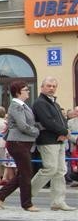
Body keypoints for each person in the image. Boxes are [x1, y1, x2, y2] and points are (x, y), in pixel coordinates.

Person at [0, 81, 40, 211]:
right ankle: (27, 204)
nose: (28, 91)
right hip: (17, 143)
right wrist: (37, 131)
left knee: (24, 173)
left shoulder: (23, 106)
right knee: (26, 173)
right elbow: (22, 125)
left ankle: (0, 194)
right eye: (25, 89)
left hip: (22, 143)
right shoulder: (16, 106)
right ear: (18, 92)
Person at [30, 77, 75, 211]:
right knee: (50, 169)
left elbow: (62, 120)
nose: (51, 88)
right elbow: (47, 122)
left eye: (54, 86)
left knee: (60, 171)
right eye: (49, 86)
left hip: (59, 140)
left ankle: (58, 201)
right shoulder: (40, 103)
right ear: (42, 87)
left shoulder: (54, 103)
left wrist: (64, 132)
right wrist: (65, 132)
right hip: (47, 140)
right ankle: (27, 194)